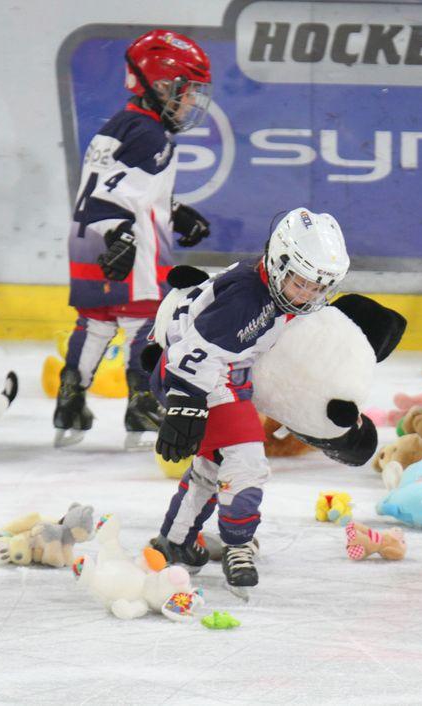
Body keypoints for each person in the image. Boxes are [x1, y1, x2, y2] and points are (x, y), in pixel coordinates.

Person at [149, 208, 351, 593]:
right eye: (300, 283)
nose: (308, 295)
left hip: (217, 376)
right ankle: (238, 545)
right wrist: (185, 404)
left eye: (317, 287)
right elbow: (195, 353)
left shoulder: (268, 287)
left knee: (211, 468)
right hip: (196, 379)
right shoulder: (247, 300)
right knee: (247, 464)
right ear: (278, 264)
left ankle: (175, 541)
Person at [53, 29, 214, 449]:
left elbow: (124, 186)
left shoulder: (118, 126)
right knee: (148, 322)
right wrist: (122, 237)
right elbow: (118, 194)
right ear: (159, 86)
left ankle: (70, 398)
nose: (191, 102)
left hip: (87, 242)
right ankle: (142, 403)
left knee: (95, 322)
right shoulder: (151, 135)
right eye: (186, 91)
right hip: (126, 247)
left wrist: (175, 212)